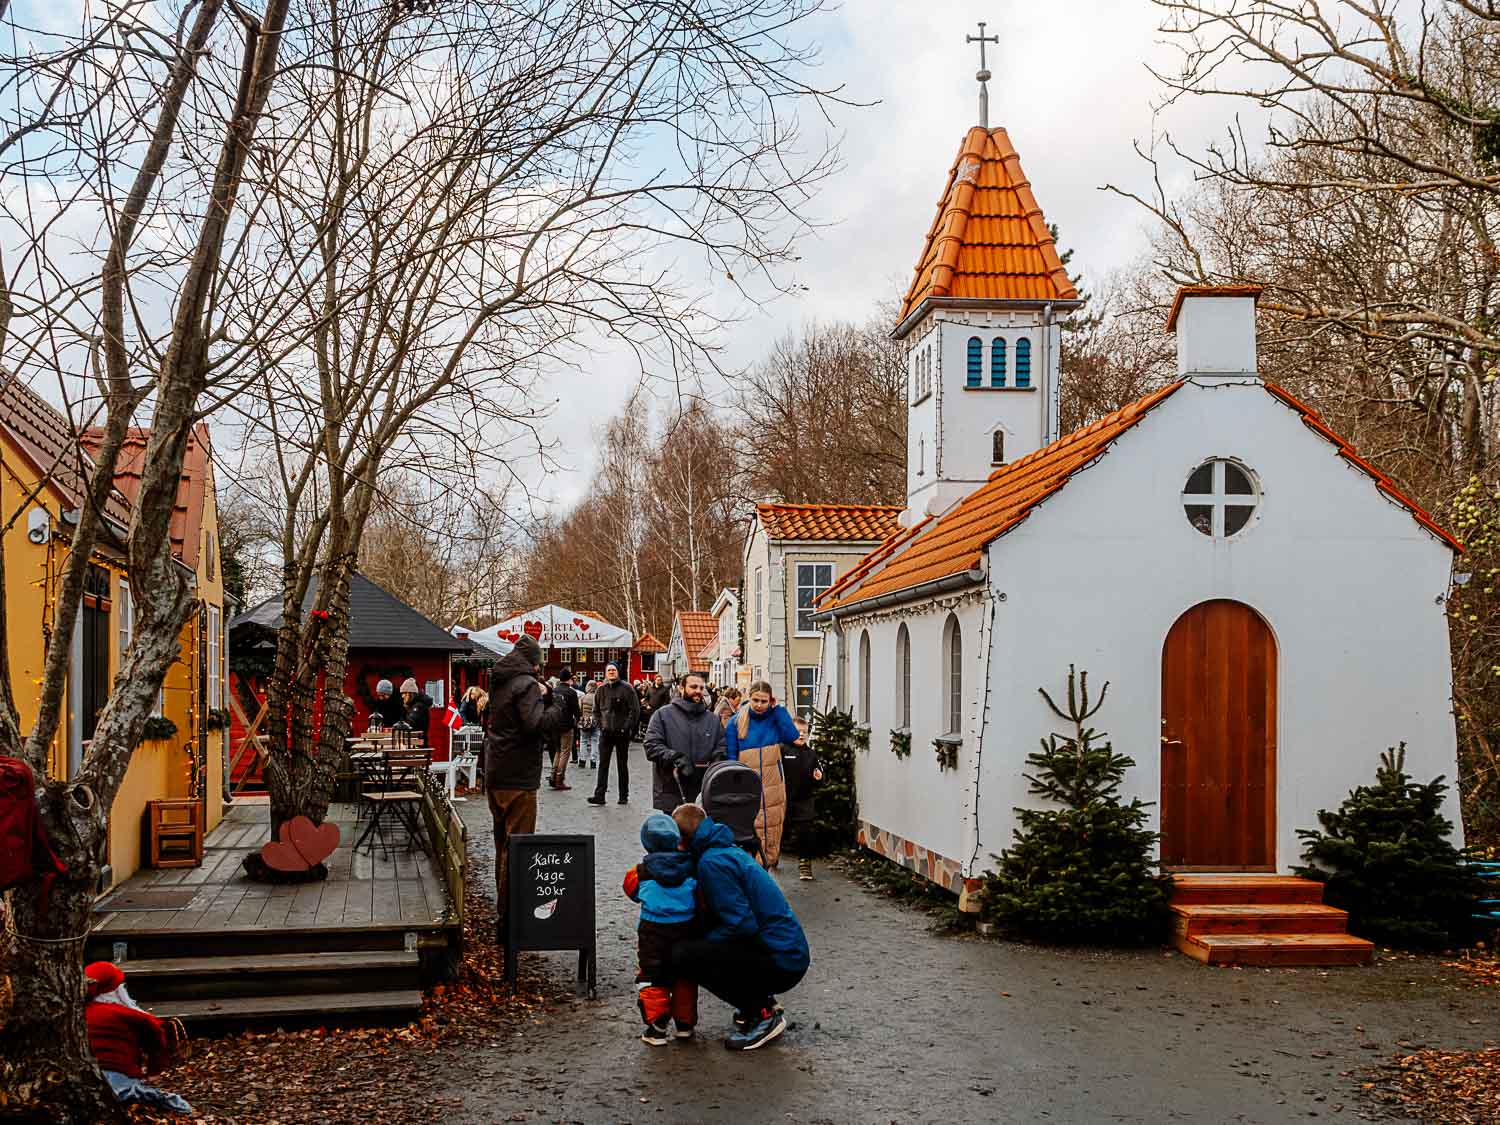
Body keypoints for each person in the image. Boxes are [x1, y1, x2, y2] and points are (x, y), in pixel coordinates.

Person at [669, 804, 810, 1051]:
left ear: (683, 839)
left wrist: (705, 941)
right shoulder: (724, 849)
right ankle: (759, 1003)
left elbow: (741, 924)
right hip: (788, 950)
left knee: (685, 955)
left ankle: (762, 1012)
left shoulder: (711, 863)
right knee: (701, 948)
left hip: (781, 959)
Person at [484, 633, 567, 945]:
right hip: (519, 776)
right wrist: (554, 704)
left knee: (502, 846)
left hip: (497, 772)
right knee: (518, 848)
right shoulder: (527, 684)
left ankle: (503, 911)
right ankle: (509, 920)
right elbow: (535, 724)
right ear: (534, 662)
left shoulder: (500, 680)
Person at [622, 812, 700, 1045]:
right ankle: (685, 1024)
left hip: (652, 932)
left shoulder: (641, 872)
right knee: (685, 976)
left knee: (653, 975)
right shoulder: (691, 868)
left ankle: (657, 1027)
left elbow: (630, 890)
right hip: (686, 928)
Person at [84, 962, 192, 1115]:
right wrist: (154, 1070)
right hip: (118, 1072)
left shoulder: (78, 1012)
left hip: (86, 1072)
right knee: (128, 1094)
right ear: (117, 990)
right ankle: (175, 1105)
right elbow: (156, 1040)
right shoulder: (130, 1015)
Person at [724, 681, 803, 868]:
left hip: (773, 778)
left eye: (764, 701)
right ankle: (753, 864)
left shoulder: (775, 717)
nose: (759, 705)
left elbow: (792, 735)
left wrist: (778, 710)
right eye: (756, 700)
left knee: (774, 820)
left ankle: (769, 861)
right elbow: (731, 756)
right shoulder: (736, 722)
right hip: (747, 778)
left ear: (770, 700)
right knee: (752, 822)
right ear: (749, 698)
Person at [643, 672, 726, 813]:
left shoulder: (712, 719)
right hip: (672, 787)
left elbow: (722, 745)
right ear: (681, 688)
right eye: (693, 687)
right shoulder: (663, 715)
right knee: (674, 827)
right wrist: (675, 758)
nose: (698, 691)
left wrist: (718, 759)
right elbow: (651, 745)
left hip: (703, 791)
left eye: (701, 688)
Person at [589, 662, 640, 805]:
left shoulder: (627, 689)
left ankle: (623, 795)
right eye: (609, 670)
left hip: (622, 733)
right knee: (603, 765)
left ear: (618, 672)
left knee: (622, 765)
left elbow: (635, 711)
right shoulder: (601, 690)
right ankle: (600, 795)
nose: (611, 672)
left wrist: (626, 727)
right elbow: (596, 711)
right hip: (606, 733)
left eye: (613, 670)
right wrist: (601, 726)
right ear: (605, 673)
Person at [781, 715, 824, 881]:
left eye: (804, 732)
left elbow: (820, 775)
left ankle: (805, 864)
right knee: (780, 830)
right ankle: (772, 856)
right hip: (784, 799)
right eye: (797, 731)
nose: (801, 734)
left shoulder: (811, 754)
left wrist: (819, 777)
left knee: (804, 832)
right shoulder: (782, 750)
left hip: (804, 800)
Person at [548, 667, 581, 790]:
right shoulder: (571, 692)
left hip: (554, 724)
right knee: (565, 752)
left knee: (558, 750)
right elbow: (576, 711)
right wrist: (577, 720)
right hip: (566, 724)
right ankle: (559, 778)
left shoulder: (553, 691)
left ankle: (552, 776)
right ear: (569, 679)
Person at [399, 677, 434, 745]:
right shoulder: (413, 705)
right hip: (415, 742)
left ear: (411, 694)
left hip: (418, 743)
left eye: (404, 693)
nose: (402, 696)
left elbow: (411, 723)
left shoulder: (418, 707)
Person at [577, 678, 600, 769]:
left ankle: (582, 760)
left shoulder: (583, 697)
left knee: (583, 741)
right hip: (595, 721)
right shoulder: (597, 698)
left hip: (585, 721)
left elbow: (579, 710)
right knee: (595, 741)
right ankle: (593, 761)